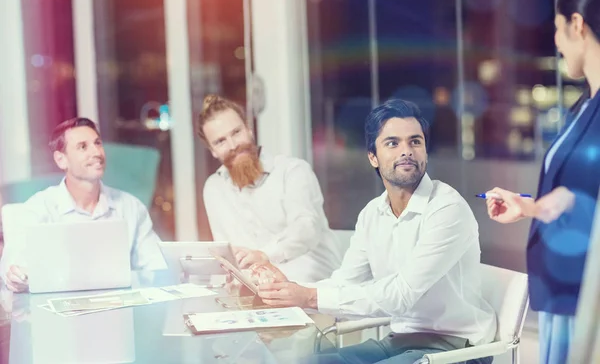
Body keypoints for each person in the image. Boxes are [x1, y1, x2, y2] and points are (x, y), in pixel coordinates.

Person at [256, 99, 495, 364]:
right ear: (373, 157)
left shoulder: (447, 208)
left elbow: (400, 295)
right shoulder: (372, 214)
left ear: (425, 152)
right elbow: (345, 282)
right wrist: (291, 290)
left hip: (456, 349)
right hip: (400, 340)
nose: (407, 151)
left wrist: (308, 296)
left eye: (415, 142)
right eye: (393, 143)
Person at [485, 0, 600, 364]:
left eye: (557, 28)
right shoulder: (584, 107)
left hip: (586, 296)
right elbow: (579, 194)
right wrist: (527, 206)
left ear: (578, 24)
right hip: (560, 292)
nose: (555, 42)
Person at [0, 118, 166, 292]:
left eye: (98, 143)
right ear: (61, 160)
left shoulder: (131, 207)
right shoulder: (38, 208)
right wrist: (17, 277)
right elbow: (13, 266)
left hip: (119, 309)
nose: (96, 152)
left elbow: (157, 266)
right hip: (59, 311)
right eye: (83, 147)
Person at [197, 95, 341, 283]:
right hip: (258, 294)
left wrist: (264, 254)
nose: (233, 145)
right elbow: (228, 253)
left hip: (313, 290)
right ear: (212, 150)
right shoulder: (214, 188)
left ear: (249, 129)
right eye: (220, 141)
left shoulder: (293, 171)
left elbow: (307, 228)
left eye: (236, 132)